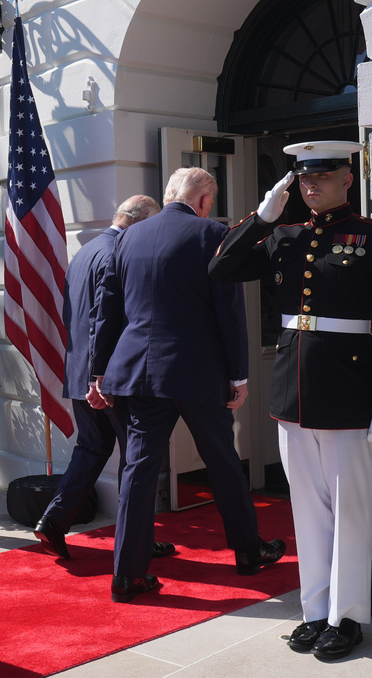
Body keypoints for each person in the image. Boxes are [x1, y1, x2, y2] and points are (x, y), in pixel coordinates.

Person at [209, 141, 372, 660]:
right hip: (292, 391)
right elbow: (221, 268)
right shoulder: (283, 236)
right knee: (306, 509)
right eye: (304, 179)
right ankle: (314, 610)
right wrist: (260, 219)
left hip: (349, 394)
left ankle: (346, 617)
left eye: (322, 177)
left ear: (349, 178)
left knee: (350, 511)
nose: (310, 186)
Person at [91, 167, 287, 603]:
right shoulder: (210, 233)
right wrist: (239, 375)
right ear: (204, 200)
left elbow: (107, 311)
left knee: (138, 472)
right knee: (222, 462)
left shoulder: (126, 238)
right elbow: (229, 311)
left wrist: (99, 370)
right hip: (196, 371)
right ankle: (249, 551)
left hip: (138, 373)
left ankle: (127, 574)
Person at [33, 195, 176, 561]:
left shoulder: (87, 250)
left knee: (93, 448)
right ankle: (138, 544)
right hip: (109, 378)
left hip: (83, 372)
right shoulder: (118, 253)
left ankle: (53, 520)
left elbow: (74, 315)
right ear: (138, 221)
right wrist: (103, 378)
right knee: (136, 460)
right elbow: (105, 321)